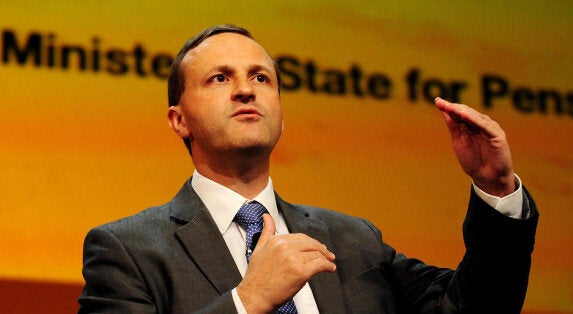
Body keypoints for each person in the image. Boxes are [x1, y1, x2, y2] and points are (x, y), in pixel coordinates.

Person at [78, 24, 538, 313]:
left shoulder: (353, 240)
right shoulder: (127, 250)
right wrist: (248, 302)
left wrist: (495, 187)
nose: (246, 90)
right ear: (179, 120)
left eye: (262, 78)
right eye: (220, 78)